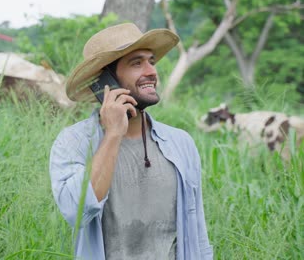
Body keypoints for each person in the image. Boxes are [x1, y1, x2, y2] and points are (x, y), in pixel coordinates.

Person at [49, 23, 213, 260]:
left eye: (152, 62)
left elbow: (197, 231)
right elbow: (77, 211)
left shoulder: (181, 144)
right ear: (105, 81)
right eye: (136, 63)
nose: (151, 72)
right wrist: (113, 133)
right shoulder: (72, 142)